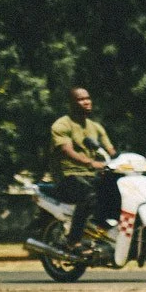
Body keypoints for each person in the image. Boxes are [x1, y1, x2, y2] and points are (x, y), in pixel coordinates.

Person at [50, 87, 120, 247]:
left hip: (91, 176)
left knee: (120, 190)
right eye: (81, 99)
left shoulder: (95, 127)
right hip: (67, 177)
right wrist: (90, 163)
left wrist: (133, 162)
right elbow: (66, 150)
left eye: (88, 98)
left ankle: (105, 231)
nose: (86, 101)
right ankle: (73, 240)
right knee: (89, 195)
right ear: (71, 103)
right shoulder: (61, 125)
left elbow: (112, 151)